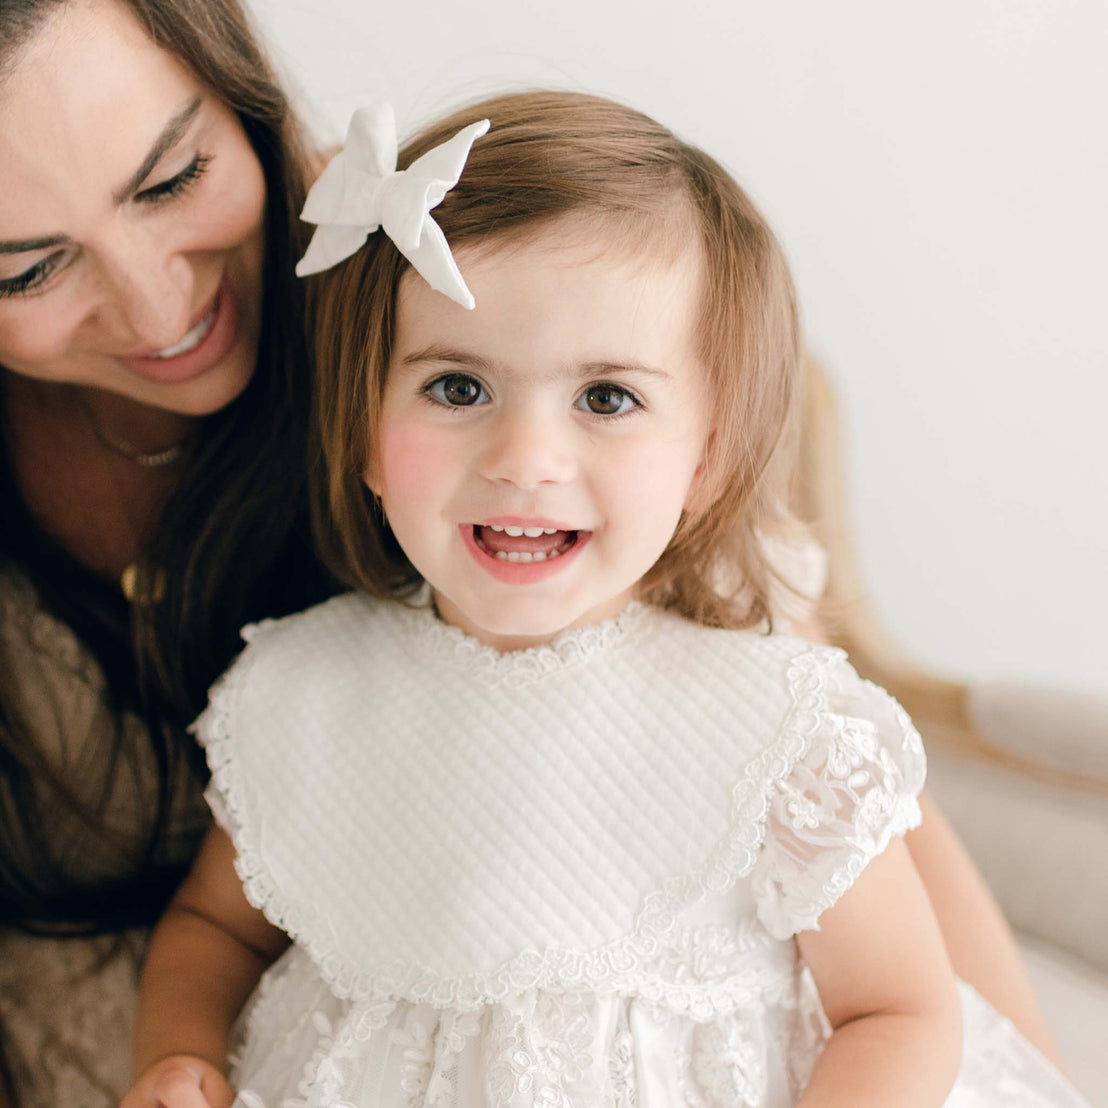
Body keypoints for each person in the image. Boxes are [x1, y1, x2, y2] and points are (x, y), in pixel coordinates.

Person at [120, 92, 1088, 1108]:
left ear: (703, 459)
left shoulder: (774, 726)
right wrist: (175, 1056)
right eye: (457, 388)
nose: (525, 460)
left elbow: (898, 1009)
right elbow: (215, 928)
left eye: (606, 398)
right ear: (362, 429)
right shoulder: (304, 687)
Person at [0, 1, 337, 1104]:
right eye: (27, 272)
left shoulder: (446, 304)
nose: (159, 306)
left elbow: (776, 724)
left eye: (170, 180)